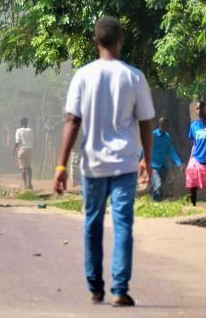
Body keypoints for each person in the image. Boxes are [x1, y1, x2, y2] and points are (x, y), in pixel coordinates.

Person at [54, 16, 155, 307]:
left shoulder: (83, 76)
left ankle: (95, 286)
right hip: (124, 163)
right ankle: (120, 289)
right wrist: (147, 161)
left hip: (93, 163)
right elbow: (146, 123)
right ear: (121, 39)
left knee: (93, 222)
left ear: (96, 41)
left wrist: (61, 166)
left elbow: (73, 121)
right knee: (123, 224)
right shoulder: (134, 76)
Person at [149, 117, 183, 202]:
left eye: (167, 126)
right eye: (164, 126)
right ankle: (157, 201)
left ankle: (156, 202)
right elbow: (145, 148)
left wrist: (179, 163)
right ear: (160, 125)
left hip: (164, 166)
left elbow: (171, 150)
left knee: (159, 186)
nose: (166, 128)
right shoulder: (153, 135)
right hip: (153, 166)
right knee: (158, 184)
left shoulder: (167, 136)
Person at [13, 117, 34, 190]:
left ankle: (25, 185)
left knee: (23, 168)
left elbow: (17, 141)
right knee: (29, 167)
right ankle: (30, 183)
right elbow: (32, 140)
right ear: (27, 123)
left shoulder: (18, 130)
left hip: (22, 149)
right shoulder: (30, 130)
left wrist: (14, 150)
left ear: (21, 123)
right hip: (30, 149)